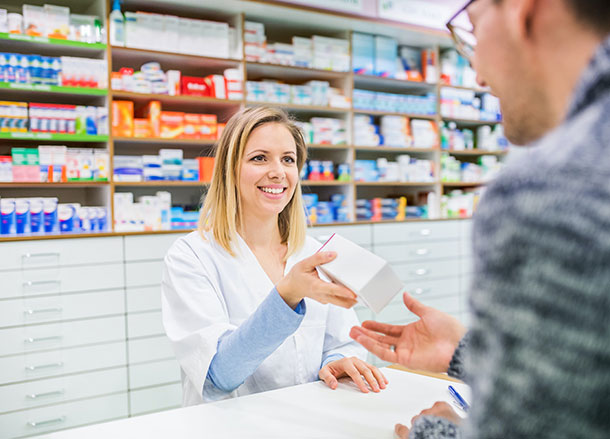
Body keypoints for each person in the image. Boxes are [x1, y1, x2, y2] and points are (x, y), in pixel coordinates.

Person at [350, 0, 610, 438]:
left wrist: (442, 434)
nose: (479, 75)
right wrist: (469, 353)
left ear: (521, 10)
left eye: (473, 30)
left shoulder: (554, 189)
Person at [162, 106, 387, 406]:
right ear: (230, 169)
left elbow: (342, 341)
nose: (278, 172)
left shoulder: (314, 252)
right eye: (259, 158)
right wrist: (287, 295)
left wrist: (338, 361)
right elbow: (218, 375)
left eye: (288, 160)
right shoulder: (192, 257)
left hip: (309, 422)